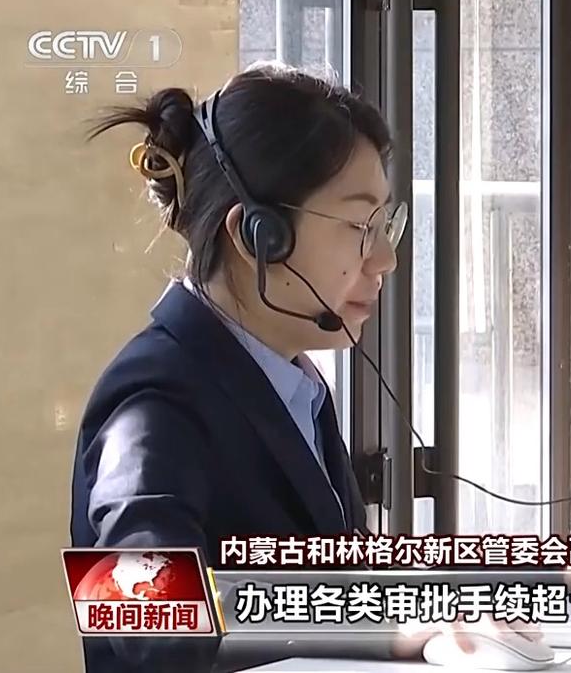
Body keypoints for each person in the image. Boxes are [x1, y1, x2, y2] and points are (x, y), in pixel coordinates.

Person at [69, 62, 543, 672]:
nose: (385, 259)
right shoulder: (151, 402)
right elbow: (145, 613)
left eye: (384, 225)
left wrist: (489, 593)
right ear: (258, 238)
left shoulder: (292, 383)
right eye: (359, 226)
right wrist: (381, 627)